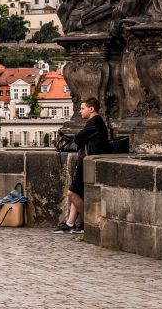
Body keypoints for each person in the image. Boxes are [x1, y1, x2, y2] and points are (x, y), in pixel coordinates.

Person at [55, 97, 109, 234]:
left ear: (91, 109)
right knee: (77, 193)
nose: (80, 111)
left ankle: (89, 222)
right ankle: (70, 223)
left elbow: (79, 139)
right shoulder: (95, 122)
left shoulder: (94, 123)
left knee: (72, 193)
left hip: (87, 161)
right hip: (87, 159)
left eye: (82, 108)